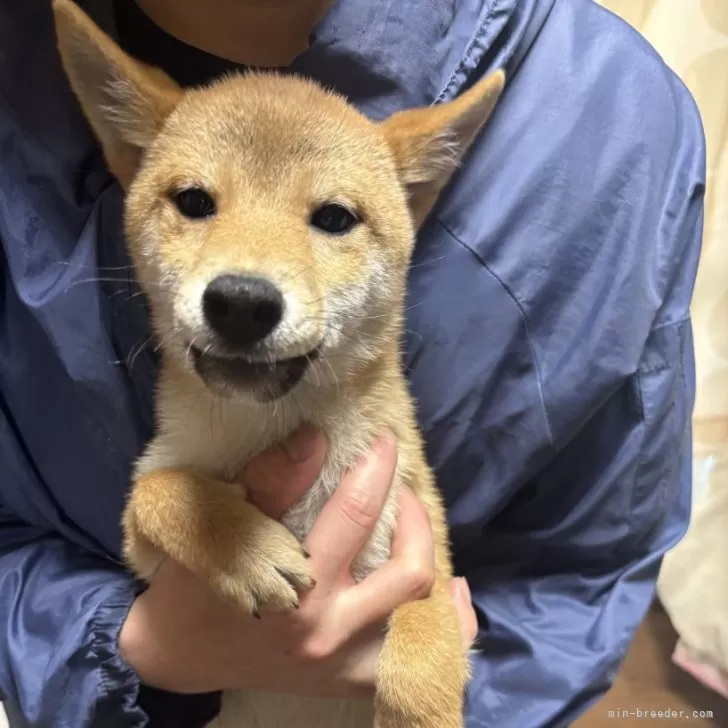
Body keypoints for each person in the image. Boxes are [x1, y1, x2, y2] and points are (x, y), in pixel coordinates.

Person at [0, 0, 705, 726]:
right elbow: (148, 512)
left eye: (331, 218)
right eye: (194, 200)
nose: (246, 277)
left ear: (417, 199)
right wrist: (145, 636)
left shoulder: (614, 114)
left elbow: (538, 580)